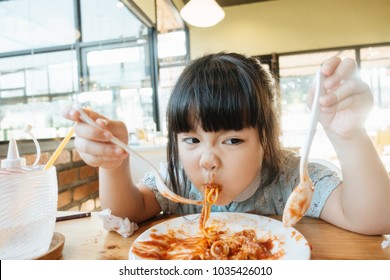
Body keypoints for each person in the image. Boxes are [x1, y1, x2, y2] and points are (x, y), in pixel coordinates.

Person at [64, 52, 390, 235]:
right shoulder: (179, 181)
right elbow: (125, 212)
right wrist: (113, 164)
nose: (207, 160)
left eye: (232, 139)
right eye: (192, 139)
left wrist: (349, 135)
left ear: (268, 141)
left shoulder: (294, 180)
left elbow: (375, 218)